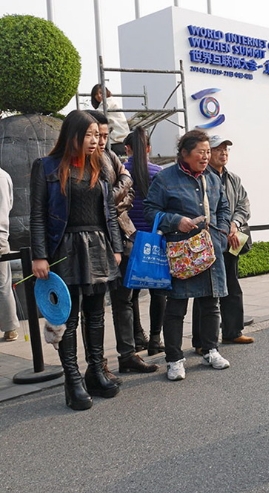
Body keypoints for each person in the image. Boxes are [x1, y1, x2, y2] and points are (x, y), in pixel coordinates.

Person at [30, 110, 123, 410]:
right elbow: (38, 216)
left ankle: (95, 370)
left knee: (96, 314)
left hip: (97, 246)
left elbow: (109, 213)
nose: (96, 140)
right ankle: (73, 380)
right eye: (90, 135)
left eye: (98, 135)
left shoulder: (100, 167)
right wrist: (39, 256)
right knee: (67, 318)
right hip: (64, 249)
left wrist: (116, 247)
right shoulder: (46, 167)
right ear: (73, 136)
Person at [144, 130, 231, 381]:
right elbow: (150, 210)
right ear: (184, 154)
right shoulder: (165, 178)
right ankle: (174, 359)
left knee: (210, 303)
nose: (206, 157)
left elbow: (223, 206)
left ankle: (211, 349)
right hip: (181, 251)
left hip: (210, 248)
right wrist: (175, 221)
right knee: (176, 307)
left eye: (207, 152)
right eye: (200, 152)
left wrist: (222, 231)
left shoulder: (212, 178)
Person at [85, 111, 157, 376]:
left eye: (104, 135)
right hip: (94, 241)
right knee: (93, 307)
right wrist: (114, 198)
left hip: (123, 235)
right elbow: (101, 199)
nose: (101, 140)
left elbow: (129, 189)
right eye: (95, 135)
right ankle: (97, 363)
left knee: (124, 299)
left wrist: (111, 200)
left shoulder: (111, 157)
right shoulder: (79, 163)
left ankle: (127, 354)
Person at [191, 135, 252, 355]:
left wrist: (234, 225)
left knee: (232, 286)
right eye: (218, 149)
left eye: (226, 149)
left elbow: (243, 205)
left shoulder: (233, 178)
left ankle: (233, 331)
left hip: (232, 240)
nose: (223, 153)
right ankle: (200, 342)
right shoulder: (200, 178)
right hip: (209, 241)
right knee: (205, 291)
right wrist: (222, 230)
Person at [123, 128, 168, 356]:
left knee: (130, 294)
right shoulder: (159, 173)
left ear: (127, 149)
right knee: (158, 291)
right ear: (148, 148)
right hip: (154, 240)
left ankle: (137, 336)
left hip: (128, 241)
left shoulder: (121, 172)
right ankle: (156, 340)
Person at [0, 166, 20, 342]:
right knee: (3, 284)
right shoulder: (4, 176)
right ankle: (10, 327)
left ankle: (10, 327)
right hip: (1, 235)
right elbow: (10, 204)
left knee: (2, 284)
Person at [90, 84, 130, 157]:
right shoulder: (107, 102)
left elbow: (96, 114)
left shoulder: (108, 101)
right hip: (118, 139)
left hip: (118, 139)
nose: (99, 96)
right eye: (96, 94)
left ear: (106, 92)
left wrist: (80, 114)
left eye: (101, 93)